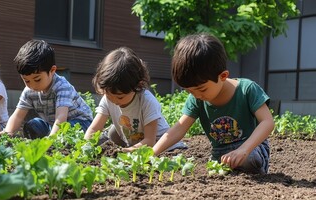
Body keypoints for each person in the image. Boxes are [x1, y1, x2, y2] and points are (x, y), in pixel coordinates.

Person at [152, 33, 274, 174]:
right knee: (213, 170)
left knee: (249, 159)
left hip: (252, 147)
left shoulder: (247, 89)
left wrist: (243, 150)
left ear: (223, 76)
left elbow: (267, 122)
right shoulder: (197, 99)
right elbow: (179, 129)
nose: (197, 95)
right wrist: (152, 153)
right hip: (220, 153)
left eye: (201, 89)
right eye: (189, 91)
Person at [84, 47, 186, 152]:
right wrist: (86, 146)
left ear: (137, 86)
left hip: (164, 148)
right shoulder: (108, 98)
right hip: (136, 144)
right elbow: (94, 129)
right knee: (112, 132)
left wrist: (125, 151)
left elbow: (149, 141)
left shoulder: (146, 101)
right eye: (109, 95)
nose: (114, 100)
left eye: (120, 97)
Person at [0, 39, 93, 139]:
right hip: (54, 125)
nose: (32, 85)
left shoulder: (62, 87)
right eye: (26, 81)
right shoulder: (29, 91)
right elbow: (18, 115)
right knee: (32, 125)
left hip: (81, 123)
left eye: (37, 79)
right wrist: (7, 132)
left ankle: (56, 141)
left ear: (52, 70)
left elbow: (61, 118)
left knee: (69, 128)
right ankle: (50, 138)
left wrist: (52, 139)